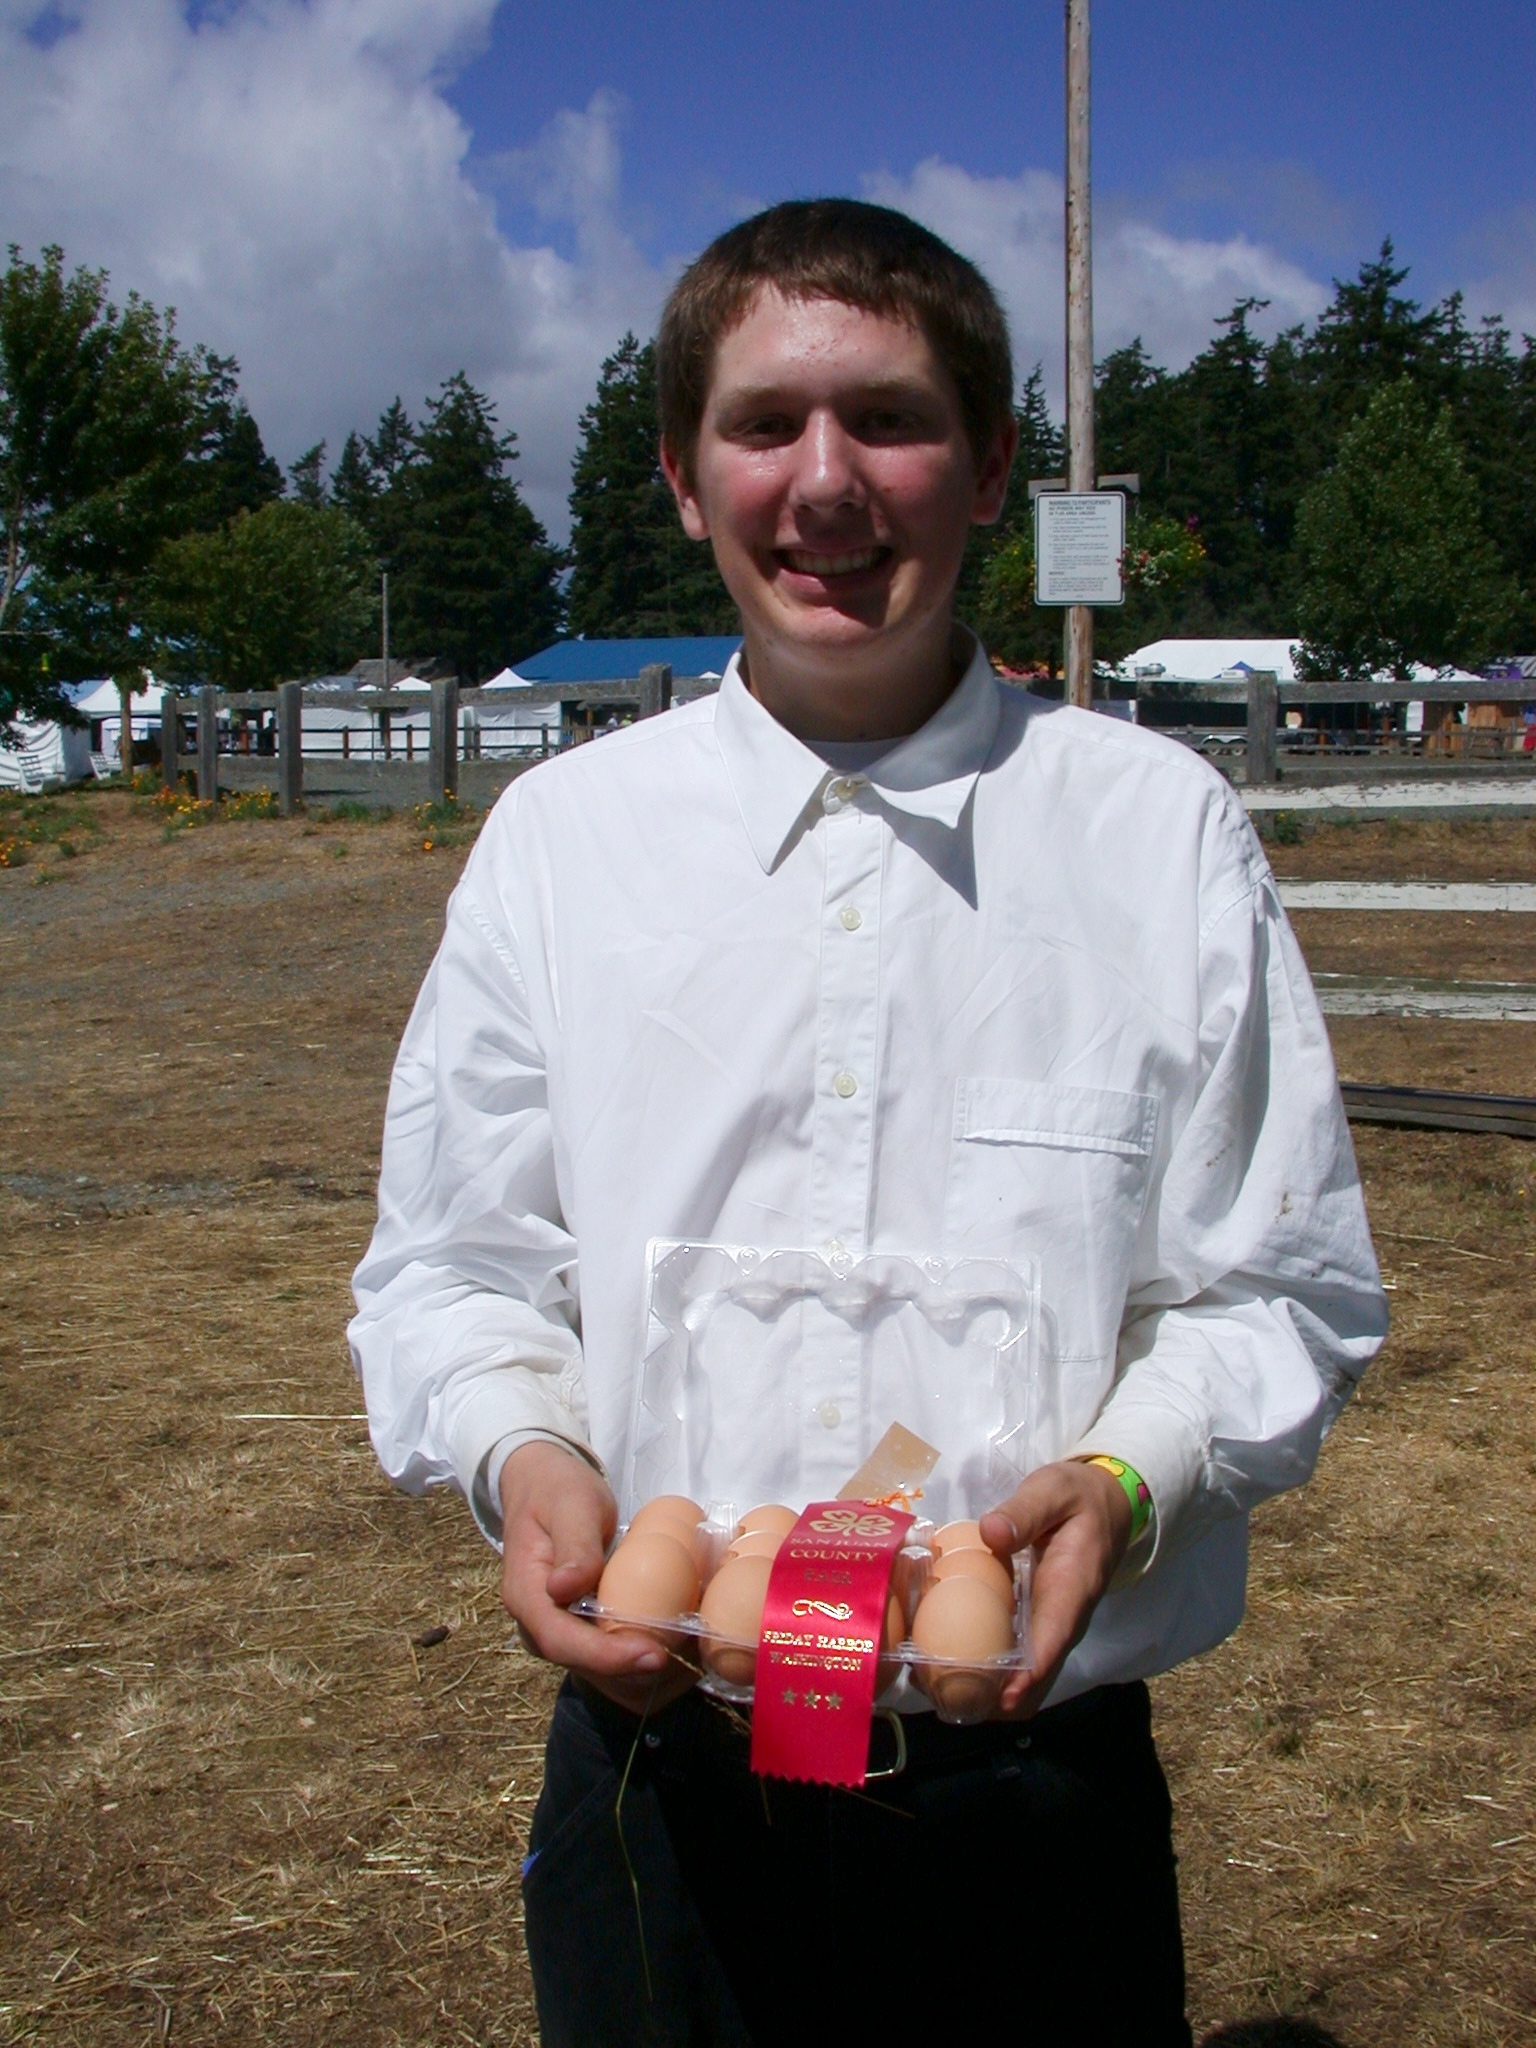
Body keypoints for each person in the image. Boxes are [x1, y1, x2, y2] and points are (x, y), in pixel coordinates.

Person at [350, 199, 1387, 2047]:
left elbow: (1278, 1288)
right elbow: (457, 1263)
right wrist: (524, 1453)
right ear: (682, 478)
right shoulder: (564, 852)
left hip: (1026, 1801)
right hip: (663, 1784)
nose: (826, 482)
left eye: (890, 419)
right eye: (764, 426)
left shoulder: (1155, 839)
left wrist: (1135, 1473)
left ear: (990, 468)